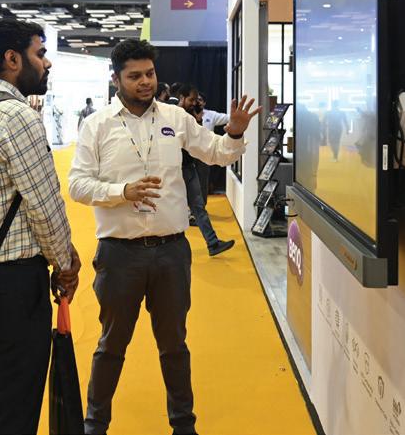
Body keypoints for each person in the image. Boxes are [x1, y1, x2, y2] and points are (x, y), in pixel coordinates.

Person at [68, 39, 261, 435]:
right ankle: (94, 424)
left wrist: (235, 133)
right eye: (134, 76)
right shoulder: (97, 125)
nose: (145, 82)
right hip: (119, 254)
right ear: (116, 79)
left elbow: (217, 152)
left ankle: (183, 425)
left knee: (174, 346)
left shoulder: (176, 117)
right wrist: (122, 192)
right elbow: (77, 185)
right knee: (111, 346)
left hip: (172, 253)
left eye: (150, 74)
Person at [0, 19, 81, 435]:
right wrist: (65, 263)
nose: (46, 63)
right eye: (40, 53)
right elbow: (44, 205)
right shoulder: (17, 116)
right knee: (15, 398)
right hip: (16, 280)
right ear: (13, 59)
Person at [176, 83, 236, 256]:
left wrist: (198, 119)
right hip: (173, 169)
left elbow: (200, 138)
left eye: (197, 100)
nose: (195, 103)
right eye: (192, 100)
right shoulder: (173, 115)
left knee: (198, 206)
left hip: (189, 166)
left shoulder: (193, 115)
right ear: (182, 98)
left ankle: (212, 243)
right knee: (172, 207)